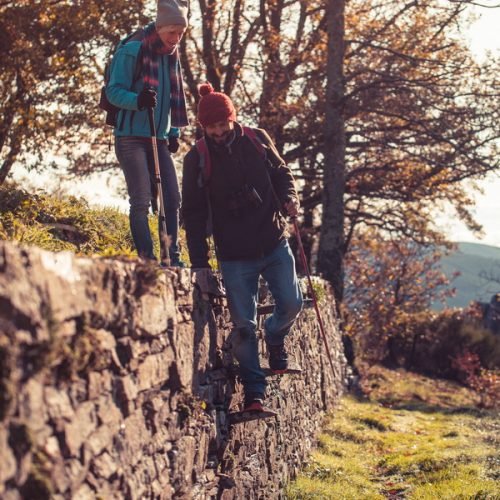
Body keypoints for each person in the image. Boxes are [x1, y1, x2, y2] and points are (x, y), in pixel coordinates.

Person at [182, 83, 303, 412]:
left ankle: (275, 336)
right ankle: (254, 393)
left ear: (233, 119)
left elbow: (282, 172)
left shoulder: (257, 138)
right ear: (203, 126)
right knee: (243, 327)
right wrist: (200, 262)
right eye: (212, 127)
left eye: (224, 124)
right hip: (234, 254)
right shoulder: (196, 159)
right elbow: (192, 213)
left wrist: (289, 198)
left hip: (274, 240)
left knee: (292, 304)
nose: (219, 132)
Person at [106, 0, 189, 266]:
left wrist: (173, 130)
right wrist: (138, 100)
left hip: (159, 138)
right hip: (130, 136)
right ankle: (148, 259)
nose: (176, 39)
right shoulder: (133, 49)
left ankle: (172, 256)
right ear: (160, 27)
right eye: (171, 32)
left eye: (181, 33)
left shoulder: (171, 54)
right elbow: (113, 91)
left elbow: (174, 94)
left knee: (172, 199)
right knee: (141, 200)